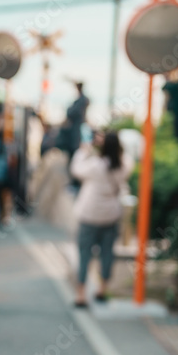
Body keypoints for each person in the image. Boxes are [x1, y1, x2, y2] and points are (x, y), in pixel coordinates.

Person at [70, 131, 134, 307]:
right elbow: (127, 157)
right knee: (107, 254)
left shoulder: (95, 165)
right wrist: (113, 144)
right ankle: (102, 289)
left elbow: (76, 169)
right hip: (111, 216)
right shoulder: (124, 165)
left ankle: (81, 294)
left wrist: (86, 148)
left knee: (85, 255)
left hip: (89, 215)